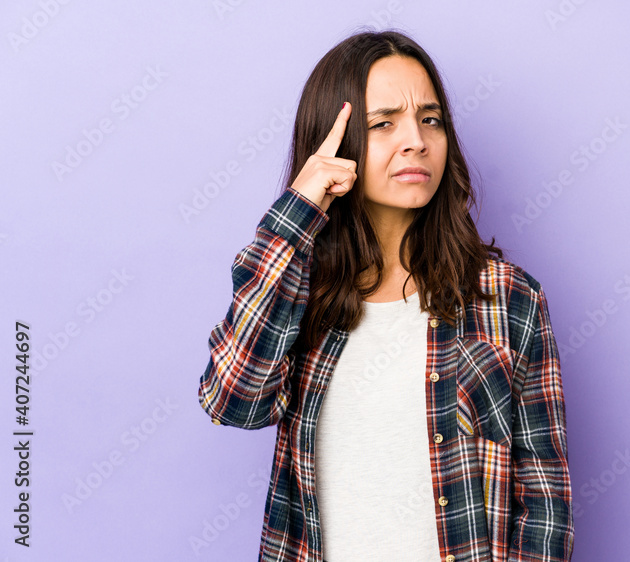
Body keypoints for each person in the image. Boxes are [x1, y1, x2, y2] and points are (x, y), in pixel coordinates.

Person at [197, 30, 574, 562]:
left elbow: (544, 497)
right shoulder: (299, 292)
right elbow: (233, 401)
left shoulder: (508, 298)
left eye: (430, 119)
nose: (416, 140)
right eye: (383, 123)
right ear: (335, 144)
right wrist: (298, 211)